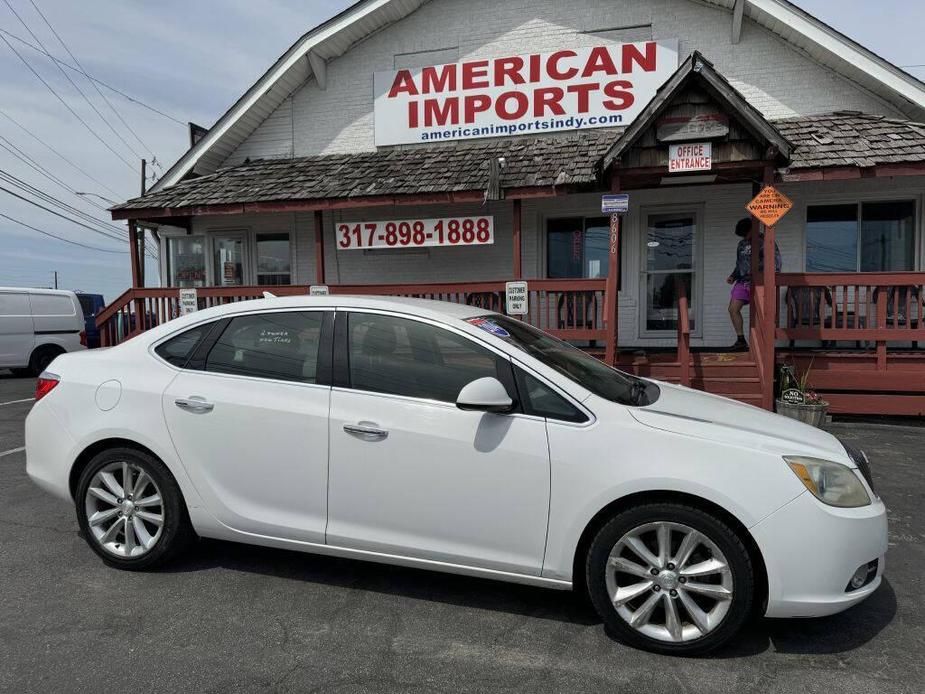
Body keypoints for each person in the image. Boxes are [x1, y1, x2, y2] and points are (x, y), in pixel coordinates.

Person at [726, 217, 782, 351]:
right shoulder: (742, 244)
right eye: (743, 235)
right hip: (743, 281)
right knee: (733, 309)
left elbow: (776, 261)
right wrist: (733, 276)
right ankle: (741, 340)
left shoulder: (765, 241)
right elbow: (739, 263)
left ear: (752, 229)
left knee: (760, 313)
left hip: (760, 282)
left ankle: (763, 343)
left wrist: (769, 277)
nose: (745, 237)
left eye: (746, 233)